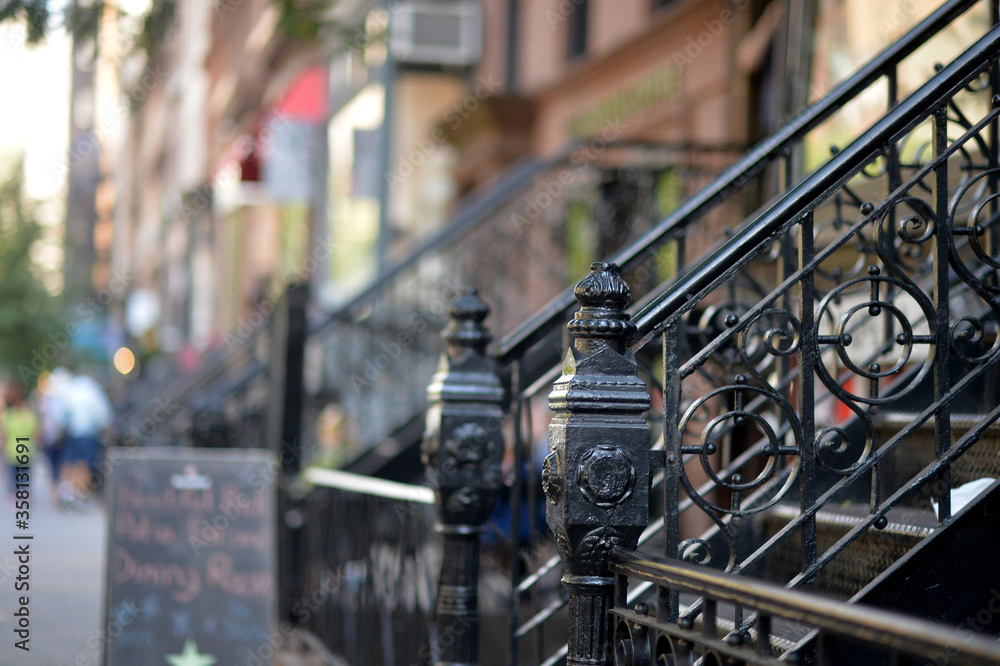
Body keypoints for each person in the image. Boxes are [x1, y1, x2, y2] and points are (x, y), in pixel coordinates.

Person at [56, 372, 113, 508]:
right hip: (88, 434)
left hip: (71, 432)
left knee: (69, 461)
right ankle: (79, 494)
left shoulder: (71, 389)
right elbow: (103, 415)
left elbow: (61, 413)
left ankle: (67, 491)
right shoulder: (93, 391)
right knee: (84, 465)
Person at [3, 382, 39, 509]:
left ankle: (20, 497)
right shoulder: (10, 414)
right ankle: (19, 497)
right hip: (17, 450)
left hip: (22, 450)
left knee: (20, 476)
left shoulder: (22, 413)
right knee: (18, 477)